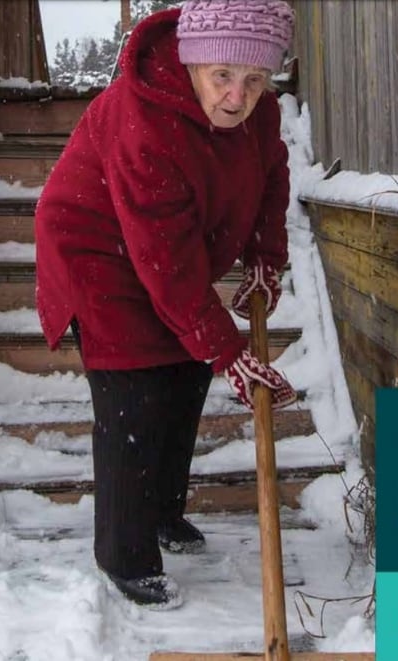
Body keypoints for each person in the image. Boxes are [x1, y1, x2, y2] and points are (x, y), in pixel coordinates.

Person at [34, 0, 297, 609]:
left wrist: (264, 256)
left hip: (171, 247)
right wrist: (227, 350)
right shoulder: (143, 120)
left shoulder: (258, 111)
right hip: (97, 249)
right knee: (136, 394)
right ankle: (125, 554)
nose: (237, 96)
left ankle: (161, 512)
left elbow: (273, 175)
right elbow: (165, 262)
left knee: (185, 377)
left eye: (254, 80)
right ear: (193, 63)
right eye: (222, 78)